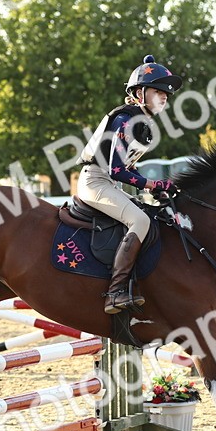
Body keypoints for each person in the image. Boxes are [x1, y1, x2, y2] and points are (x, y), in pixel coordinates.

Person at [77, 55, 182, 314]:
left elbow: (128, 167)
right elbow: (116, 169)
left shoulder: (140, 122)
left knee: (151, 217)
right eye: (158, 91)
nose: (165, 97)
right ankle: (115, 292)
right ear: (138, 93)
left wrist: (156, 187)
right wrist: (152, 183)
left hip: (108, 183)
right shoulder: (125, 120)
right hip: (95, 181)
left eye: (166, 94)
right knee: (141, 221)